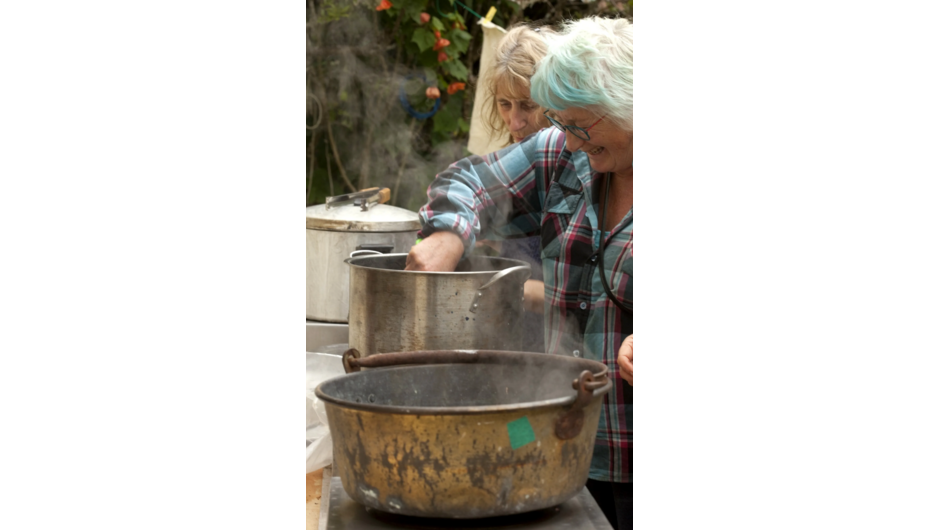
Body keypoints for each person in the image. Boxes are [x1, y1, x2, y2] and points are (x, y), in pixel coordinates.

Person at [406, 17, 634, 530]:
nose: (570, 144)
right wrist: (448, 232)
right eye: (563, 125)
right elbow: (470, 180)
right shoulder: (564, 155)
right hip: (556, 436)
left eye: (581, 126)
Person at [477, 25, 554, 351]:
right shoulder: (507, 169)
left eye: (527, 105)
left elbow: (594, 298)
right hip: (510, 351)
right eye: (505, 104)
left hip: (561, 356)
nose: (515, 121)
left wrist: (513, 291)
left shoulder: (584, 172)